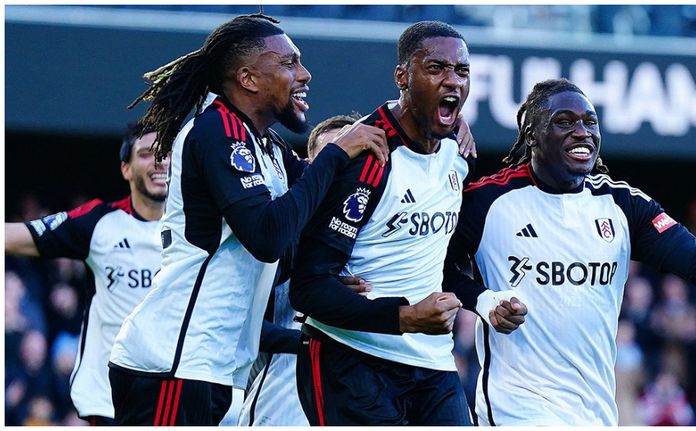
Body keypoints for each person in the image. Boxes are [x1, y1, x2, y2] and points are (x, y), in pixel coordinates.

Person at [107, 14, 389, 426]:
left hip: (210, 368)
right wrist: (335, 152)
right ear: (249, 79)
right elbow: (268, 236)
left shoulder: (268, 145)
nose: (305, 74)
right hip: (172, 363)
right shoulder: (216, 130)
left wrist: (429, 126)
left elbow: (313, 207)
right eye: (289, 63)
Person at [442, 78, 696, 426]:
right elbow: (439, 270)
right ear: (531, 135)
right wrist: (483, 300)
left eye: (590, 122)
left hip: (596, 413)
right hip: (515, 408)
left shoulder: (623, 205)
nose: (582, 132)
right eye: (565, 122)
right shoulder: (487, 201)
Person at [289, 21, 506, 426]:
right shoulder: (366, 158)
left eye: (461, 71)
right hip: (352, 357)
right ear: (402, 77)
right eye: (436, 68)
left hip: (432, 361)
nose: (452, 81)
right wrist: (404, 317)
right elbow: (307, 289)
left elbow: (444, 257)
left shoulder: (459, 154)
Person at [4, 123, 168, 425]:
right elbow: (12, 237)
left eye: (167, 153)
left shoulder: (200, 230)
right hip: (109, 401)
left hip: (176, 397)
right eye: (146, 154)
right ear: (126, 169)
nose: (160, 161)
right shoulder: (98, 223)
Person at [237, 114, 361, 426]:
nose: (340, 168)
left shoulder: (382, 237)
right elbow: (241, 325)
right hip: (283, 400)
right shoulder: (281, 235)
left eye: (353, 158)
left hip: (362, 396)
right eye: (331, 158)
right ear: (309, 166)